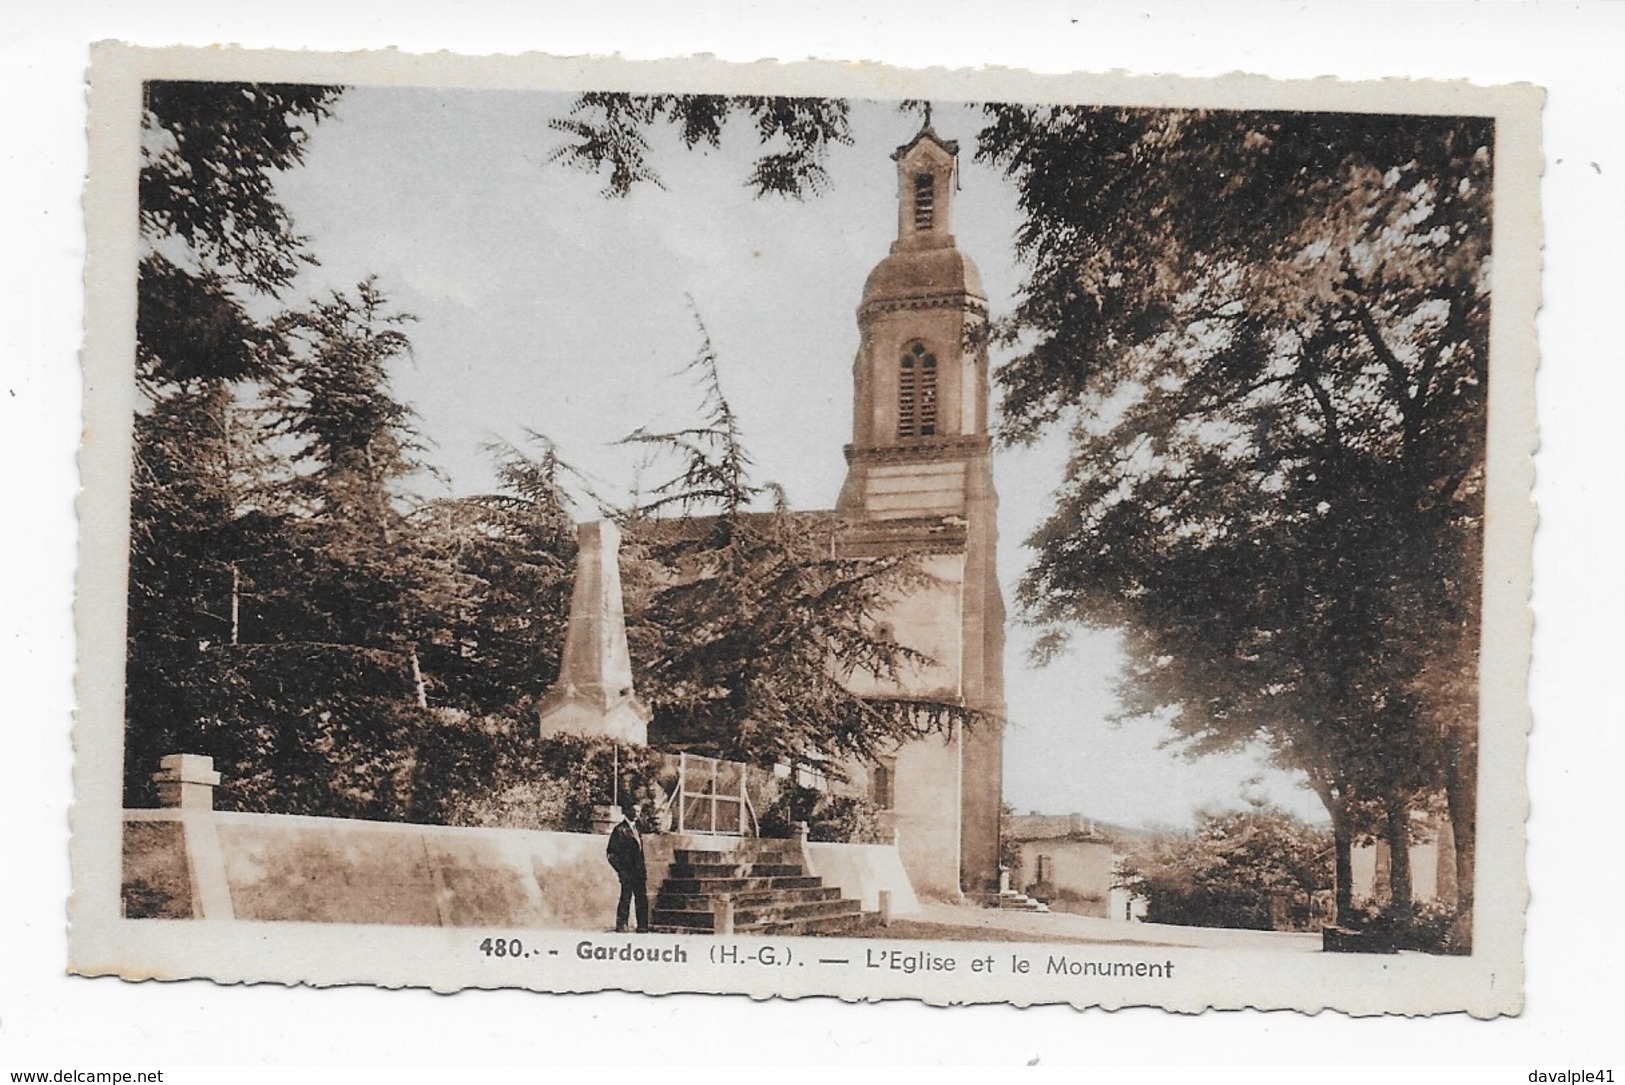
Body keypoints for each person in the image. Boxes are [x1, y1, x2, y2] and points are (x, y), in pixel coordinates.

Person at [605, 798, 649, 933]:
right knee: (626, 898)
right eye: (634, 811)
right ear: (627, 812)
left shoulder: (638, 828)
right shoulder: (620, 830)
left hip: (639, 871)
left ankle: (643, 926)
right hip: (627, 871)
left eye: (639, 811)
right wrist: (621, 870)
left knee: (641, 898)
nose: (637, 814)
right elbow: (611, 853)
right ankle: (621, 925)